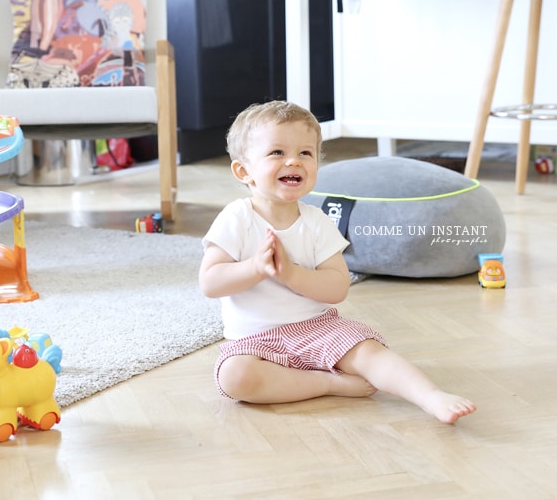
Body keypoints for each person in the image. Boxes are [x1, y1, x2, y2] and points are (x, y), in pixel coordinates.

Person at [198, 100, 476, 424]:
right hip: (254, 341)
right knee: (234, 377)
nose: (294, 161)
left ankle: (430, 396)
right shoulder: (237, 217)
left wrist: (291, 274)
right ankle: (329, 383)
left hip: (319, 329)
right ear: (244, 171)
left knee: (370, 352)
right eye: (277, 153)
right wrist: (255, 268)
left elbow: (336, 288)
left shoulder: (317, 221)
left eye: (305, 153)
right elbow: (210, 282)